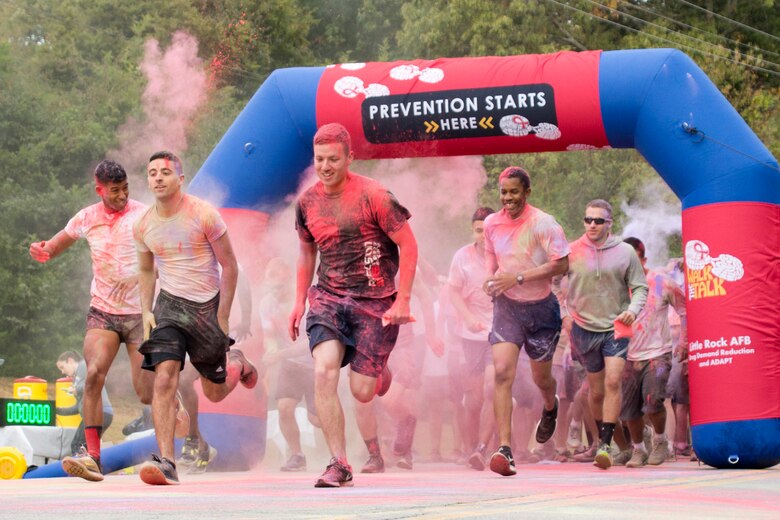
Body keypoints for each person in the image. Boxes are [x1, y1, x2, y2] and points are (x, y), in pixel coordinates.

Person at [288, 123, 418, 488]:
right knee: (324, 371)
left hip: (375, 302)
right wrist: (298, 300)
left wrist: (403, 299)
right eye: (319, 159)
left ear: (349, 158)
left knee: (362, 391)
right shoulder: (307, 203)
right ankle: (339, 463)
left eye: (333, 159)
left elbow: (408, 245)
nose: (325, 166)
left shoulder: (375, 195)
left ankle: (379, 370)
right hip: (328, 298)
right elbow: (306, 251)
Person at [134, 150, 258, 485]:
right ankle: (167, 462)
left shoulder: (204, 214)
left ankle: (237, 363)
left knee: (214, 392)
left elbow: (230, 267)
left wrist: (223, 316)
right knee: (165, 377)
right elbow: (145, 269)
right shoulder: (143, 224)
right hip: (169, 308)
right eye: (152, 173)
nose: (158, 178)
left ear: (180, 179)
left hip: (207, 309)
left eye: (165, 172)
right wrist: (146, 310)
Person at [29, 159, 151, 482]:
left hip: (138, 312)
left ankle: (172, 403)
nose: (122, 196)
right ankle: (93, 456)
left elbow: (164, 253)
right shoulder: (87, 217)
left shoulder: (143, 214)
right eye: (115, 191)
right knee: (94, 374)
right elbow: (57, 244)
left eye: (125, 189)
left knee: (145, 392)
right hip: (103, 311)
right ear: (99, 190)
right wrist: (43, 250)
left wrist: (140, 277)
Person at [481, 166, 570, 477]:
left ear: (527, 192)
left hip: (541, 310)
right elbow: (491, 259)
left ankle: (550, 405)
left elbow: (562, 264)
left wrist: (517, 277)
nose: (508, 198)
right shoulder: (492, 223)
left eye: (514, 192)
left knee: (541, 379)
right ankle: (505, 449)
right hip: (507, 307)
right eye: (504, 192)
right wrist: (490, 279)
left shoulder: (543, 223)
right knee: (502, 372)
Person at [566, 200, 648, 470]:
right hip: (583, 328)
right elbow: (553, 283)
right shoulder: (571, 251)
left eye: (598, 220)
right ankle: (613, 441)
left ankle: (604, 445)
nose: (592, 225)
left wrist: (632, 311)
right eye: (588, 219)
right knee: (596, 392)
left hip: (616, 327)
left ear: (609, 223)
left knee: (613, 382)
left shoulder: (625, 252)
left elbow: (640, 287)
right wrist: (564, 314)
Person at [176, 264, 256, 474]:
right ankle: (199, 445)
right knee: (178, 382)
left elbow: (242, 279)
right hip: (187, 328)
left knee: (212, 393)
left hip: (213, 330)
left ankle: (237, 362)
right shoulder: (180, 257)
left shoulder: (218, 256)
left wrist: (246, 319)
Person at [620, 238, 687, 468]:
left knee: (653, 400)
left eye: (634, 259)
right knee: (628, 410)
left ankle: (660, 442)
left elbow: (684, 309)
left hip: (657, 354)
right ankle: (638, 449)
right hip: (626, 355)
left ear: (644, 260)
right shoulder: (615, 286)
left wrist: (684, 341)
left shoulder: (660, 282)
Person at [446, 207, 496, 471]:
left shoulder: (505, 255)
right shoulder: (461, 257)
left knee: (492, 388)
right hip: (471, 334)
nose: (483, 236)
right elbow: (453, 292)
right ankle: (470, 447)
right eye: (479, 231)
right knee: (474, 399)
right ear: (473, 231)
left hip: (499, 332)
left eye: (488, 231)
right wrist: (466, 317)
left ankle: (483, 448)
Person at [259, 258, 320, 472]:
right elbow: (269, 336)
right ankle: (297, 455)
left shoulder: (306, 300)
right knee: (284, 407)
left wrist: (280, 354)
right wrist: (271, 356)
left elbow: (312, 341)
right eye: (271, 287)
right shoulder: (267, 303)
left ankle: (336, 451)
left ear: (289, 283)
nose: (275, 292)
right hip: (290, 364)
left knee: (317, 419)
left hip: (316, 363)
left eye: (279, 287)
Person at [56, 351, 114, 457]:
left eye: (62, 367)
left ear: (70, 361)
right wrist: (58, 410)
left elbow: (97, 379)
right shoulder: (77, 378)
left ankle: (82, 466)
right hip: (99, 413)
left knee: (78, 445)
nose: (62, 372)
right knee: (86, 447)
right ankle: (92, 464)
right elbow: (78, 407)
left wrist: (76, 389)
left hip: (98, 413)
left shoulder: (83, 365)